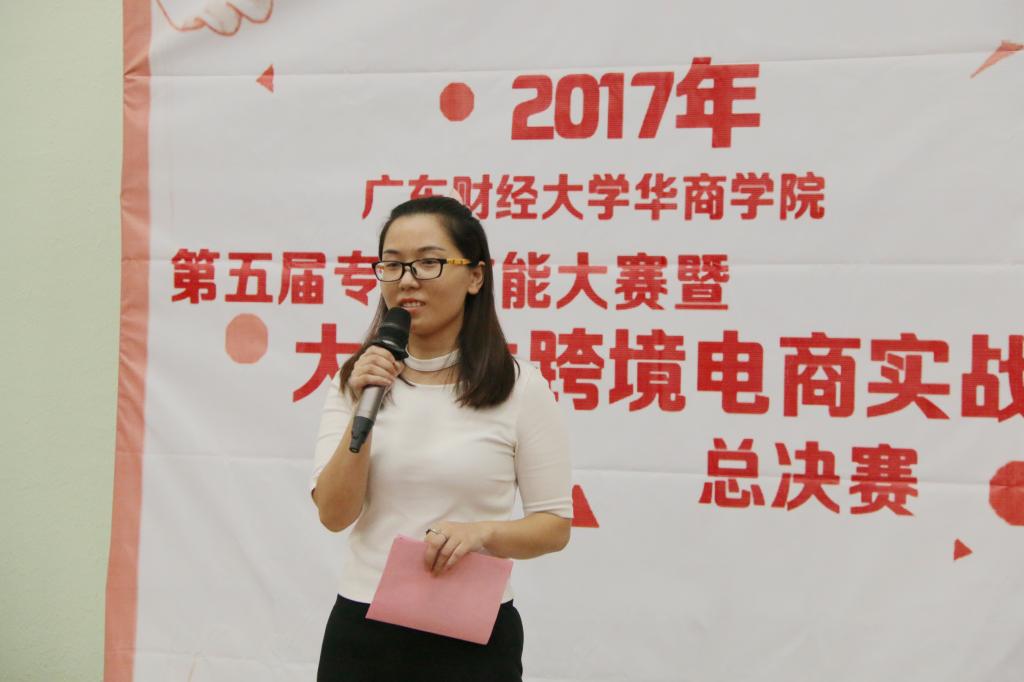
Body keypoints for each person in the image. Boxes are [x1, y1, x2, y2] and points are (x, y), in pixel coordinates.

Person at [310, 195, 574, 681]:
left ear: (475, 276)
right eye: (393, 264)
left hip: (472, 634)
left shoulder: (518, 387)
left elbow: (554, 526)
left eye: (428, 262)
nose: (407, 280)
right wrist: (364, 403)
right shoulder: (358, 379)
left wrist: (482, 533)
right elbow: (333, 514)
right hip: (363, 631)